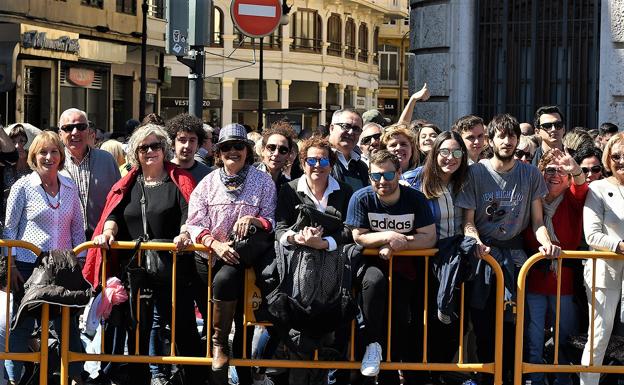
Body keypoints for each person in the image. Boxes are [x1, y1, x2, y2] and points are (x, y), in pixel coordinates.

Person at [87, 123, 203, 385]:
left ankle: (192, 377)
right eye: (144, 147)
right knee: (137, 328)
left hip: (172, 270)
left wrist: (184, 234)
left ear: (164, 150)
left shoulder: (179, 181)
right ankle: (142, 376)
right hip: (136, 272)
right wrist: (107, 232)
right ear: (135, 153)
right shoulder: (128, 183)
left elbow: (189, 213)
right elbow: (114, 213)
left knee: (180, 326)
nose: (150, 151)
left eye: (155, 146)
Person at [455, 113, 561, 385]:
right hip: (484, 260)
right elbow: (468, 222)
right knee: (484, 327)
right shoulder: (475, 173)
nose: (507, 141)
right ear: (491, 140)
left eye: (512, 136)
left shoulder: (530, 174)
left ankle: (512, 378)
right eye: (501, 135)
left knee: (515, 328)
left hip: (516, 262)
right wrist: (475, 240)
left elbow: (538, 222)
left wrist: (546, 242)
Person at [185, 123, 276, 385]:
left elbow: (271, 218)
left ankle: (228, 356)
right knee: (215, 317)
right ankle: (218, 366)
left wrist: (254, 219)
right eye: (226, 147)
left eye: (238, 146)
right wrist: (215, 244)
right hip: (210, 261)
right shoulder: (207, 183)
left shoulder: (263, 180)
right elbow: (194, 222)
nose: (233, 152)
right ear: (218, 152)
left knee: (245, 328)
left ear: (247, 150)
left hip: (244, 263)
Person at [346, 150, 436, 383]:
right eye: (376, 176)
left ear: (398, 173)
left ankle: (391, 373)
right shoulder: (362, 198)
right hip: (369, 267)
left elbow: (429, 237)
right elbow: (359, 236)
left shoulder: (415, 198)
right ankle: (372, 347)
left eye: (388, 175)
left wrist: (398, 244)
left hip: (405, 269)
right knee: (373, 286)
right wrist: (389, 235)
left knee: (399, 319)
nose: (382, 181)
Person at [3, 131, 86, 385]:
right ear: (33, 156)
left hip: (61, 269)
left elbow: (77, 230)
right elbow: (9, 229)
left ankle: (75, 377)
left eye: (54, 152)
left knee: (68, 329)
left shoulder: (70, 187)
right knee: (21, 326)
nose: (48, 157)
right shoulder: (22, 186)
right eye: (42, 152)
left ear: (61, 156)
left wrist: (80, 263)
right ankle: (17, 378)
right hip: (28, 267)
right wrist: (12, 264)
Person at [274, 137, 353, 385]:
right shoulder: (289, 190)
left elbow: (350, 229)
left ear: (331, 164)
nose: (317, 165)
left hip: (333, 266)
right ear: (302, 162)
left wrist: (324, 243)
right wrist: (298, 237)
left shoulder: (345, 191)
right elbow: (279, 229)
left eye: (323, 160)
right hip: (298, 267)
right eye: (311, 160)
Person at [522, 148, 588, 385]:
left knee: (565, 337)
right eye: (550, 170)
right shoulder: (533, 198)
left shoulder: (572, 198)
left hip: (564, 282)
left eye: (562, 171)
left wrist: (576, 170)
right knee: (533, 337)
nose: (555, 175)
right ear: (541, 172)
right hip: (535, 279)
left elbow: (581, 187)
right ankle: (535, 380)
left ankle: (562, 380)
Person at [580, 132, 624, 385]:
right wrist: (619, 246)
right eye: (615, 156)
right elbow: (592, 235)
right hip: (603, 271)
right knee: (598, 335)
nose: (620, 161)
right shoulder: (597, 188)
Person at [58, 108, 121, 240]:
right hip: (65, 243)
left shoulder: (107, 160)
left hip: (101, 240)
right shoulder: (55, 162)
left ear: (89, 131)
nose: (75, 132)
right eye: (68, 128)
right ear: (60, 134)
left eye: (81, 127)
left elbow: (118, 202)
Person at [327, 109, 369, 191]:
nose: (350, 132)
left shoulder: (362, 167)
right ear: (332, 128)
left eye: (356, 129)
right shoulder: (318, 160)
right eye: (346, 126)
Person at [166, 113, 211, 184]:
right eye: (182, 140)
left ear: (198, 145)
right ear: (172, 144)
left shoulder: (208, 176)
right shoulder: (163, 172)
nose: (187, 145)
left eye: (192, 140)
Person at [1, 125, 30, 225]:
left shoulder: (36, 171)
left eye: (22, 141)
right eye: (13, 142)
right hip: (6, 222)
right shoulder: (4, 168)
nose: (18, 146)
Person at [257, 121, 297, 191]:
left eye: (283, 150)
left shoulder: (288, 186)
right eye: (271, 147)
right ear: (262, 150)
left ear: (288, 155)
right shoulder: (248, 175)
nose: (276, 153)